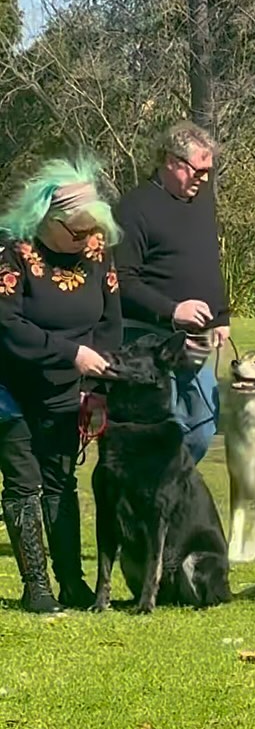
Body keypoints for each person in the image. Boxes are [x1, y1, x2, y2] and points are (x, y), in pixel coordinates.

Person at [0, 157, 122, 612]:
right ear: (47, 219)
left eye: (93, 230)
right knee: (24, 483)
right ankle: (37, 588)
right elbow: (8, 324)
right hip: (11, 385)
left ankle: (72, 582)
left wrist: (95, 385)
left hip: (69, 389)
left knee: (61, 482)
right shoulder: (12, 251)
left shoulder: (97, 250)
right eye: (77, 231)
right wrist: (70, 352)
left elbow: (110, 323)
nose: (87, 239)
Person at [114, 121, 231, 464]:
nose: (204, 179)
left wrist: (221, 317)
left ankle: (170, 482)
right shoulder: (133, 208)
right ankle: (158, 486)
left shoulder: (202, 200)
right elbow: (122, 280)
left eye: (209, 171)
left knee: (203, 424)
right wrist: (172, 310)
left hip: (195, 338)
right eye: (198, 170)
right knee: (168, 425)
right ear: (171, 161)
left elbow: (208, 260)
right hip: (149, 340)